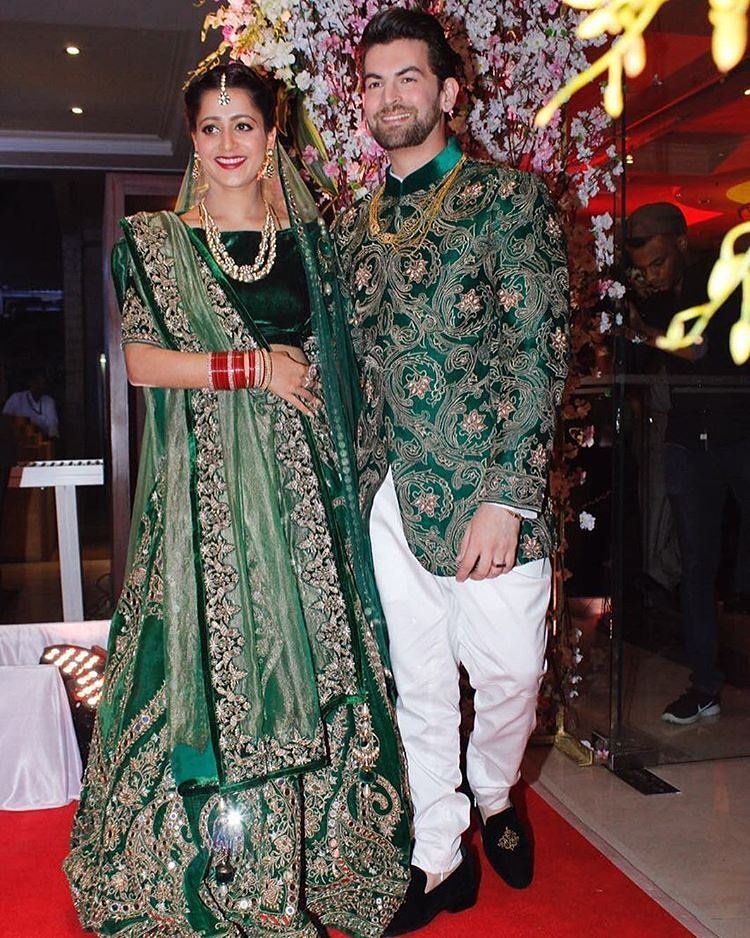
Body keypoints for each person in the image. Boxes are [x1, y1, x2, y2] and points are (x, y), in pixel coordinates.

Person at [64, 63, 411, 938]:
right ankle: (203, 866)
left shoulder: (310, 247)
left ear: (271, 137)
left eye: (244, 126)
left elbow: (339, 368)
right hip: (201, 495)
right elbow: (142, 363)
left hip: (299, 497)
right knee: (194, 659)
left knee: (311, 660)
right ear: (192, 139)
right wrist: (252, 368)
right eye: (211, 128)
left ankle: (316, 856)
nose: (228, 143)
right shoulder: (155, 243)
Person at [334, 9, 569, 934]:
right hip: (390, 495)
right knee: (419, 682)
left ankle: (495, 792)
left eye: (408, 78)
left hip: (488, 497)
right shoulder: (351, 229)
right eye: (374, 82)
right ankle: (439, 853)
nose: (390, 97)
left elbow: (541, 352)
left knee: (510, 676)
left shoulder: (509, 201)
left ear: (448, 90)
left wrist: (509, 497)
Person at [625, 202, 750, 724]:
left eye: (657, 262)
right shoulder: (656, 300)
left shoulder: (721, 280)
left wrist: (644, 332)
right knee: (695, 567)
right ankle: (704, 686)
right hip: (686, 443)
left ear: (679, 243)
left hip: (737, 434)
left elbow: (702, 350)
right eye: (644, 267)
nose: (652, 274)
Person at [2, 370, 59, 439]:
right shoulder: (16, 398)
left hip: (40, 440)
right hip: (18, 440)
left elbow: (53, 425)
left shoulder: (49, 401)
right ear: (31, 383)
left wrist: (52, 439)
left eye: (43, 384)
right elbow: (5, 420)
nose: (41, 386)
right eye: (38, 383)